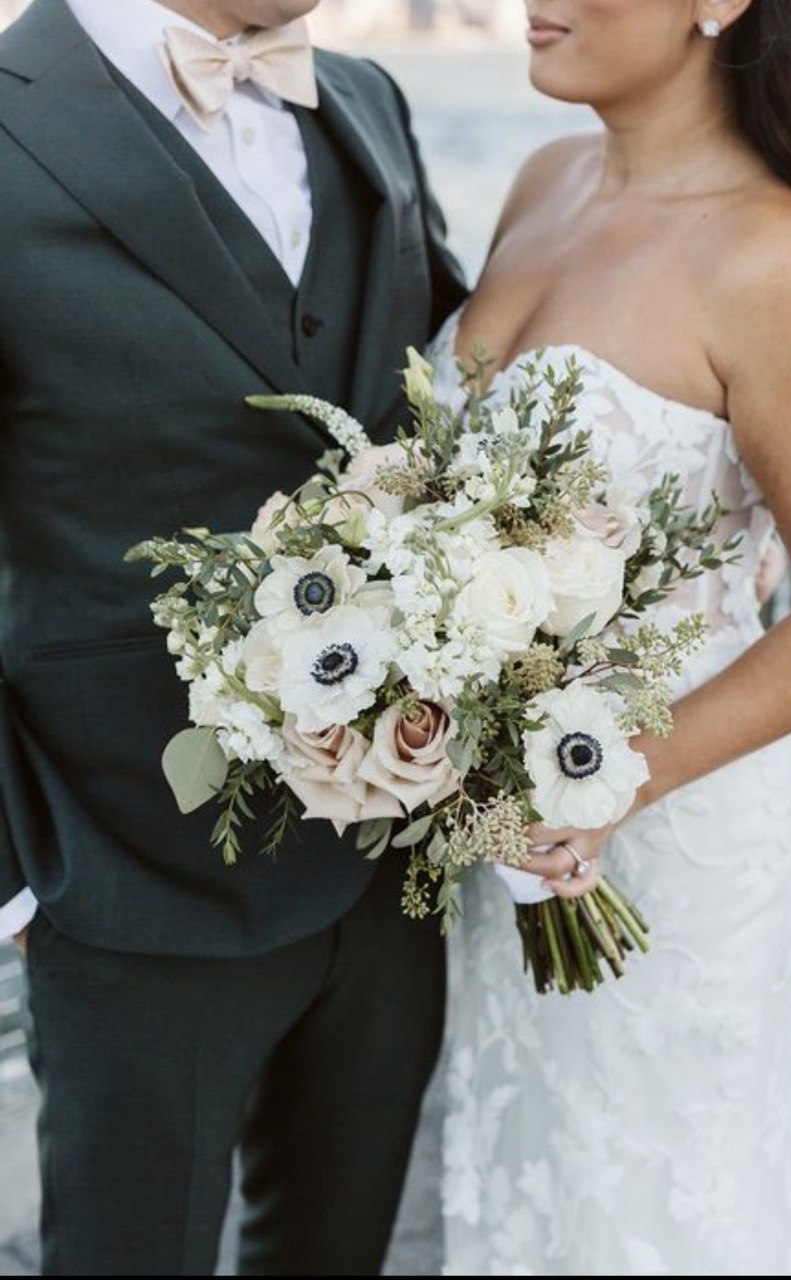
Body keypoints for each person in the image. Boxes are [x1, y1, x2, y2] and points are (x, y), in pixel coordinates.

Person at [0, 0, 466, 1273]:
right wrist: (21, 881)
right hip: (123, 877)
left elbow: (453, 381)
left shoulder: (365, 102)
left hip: (385, 865)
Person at [429, 0, 791, 1273]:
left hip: (675, 825)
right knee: (532, 1168)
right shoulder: (543, 180)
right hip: (508, 830)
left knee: (664, 1195)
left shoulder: (781, 263)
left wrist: (612, 777)